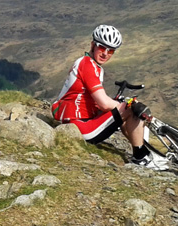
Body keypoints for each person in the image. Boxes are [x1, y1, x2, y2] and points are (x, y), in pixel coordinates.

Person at [51, 24, 169, 170]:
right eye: (102, 47)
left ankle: (144, 152)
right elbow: (104, 104)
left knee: (125, 107)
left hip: (78, 122)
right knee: (131, 108)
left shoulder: (89, 64)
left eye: (111, 50)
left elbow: (92, 101)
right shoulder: (87, 65)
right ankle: (140, 158)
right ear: (93, 45)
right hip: (80, 127)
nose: (105, 53)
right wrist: (126, 106)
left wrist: (118, 104)